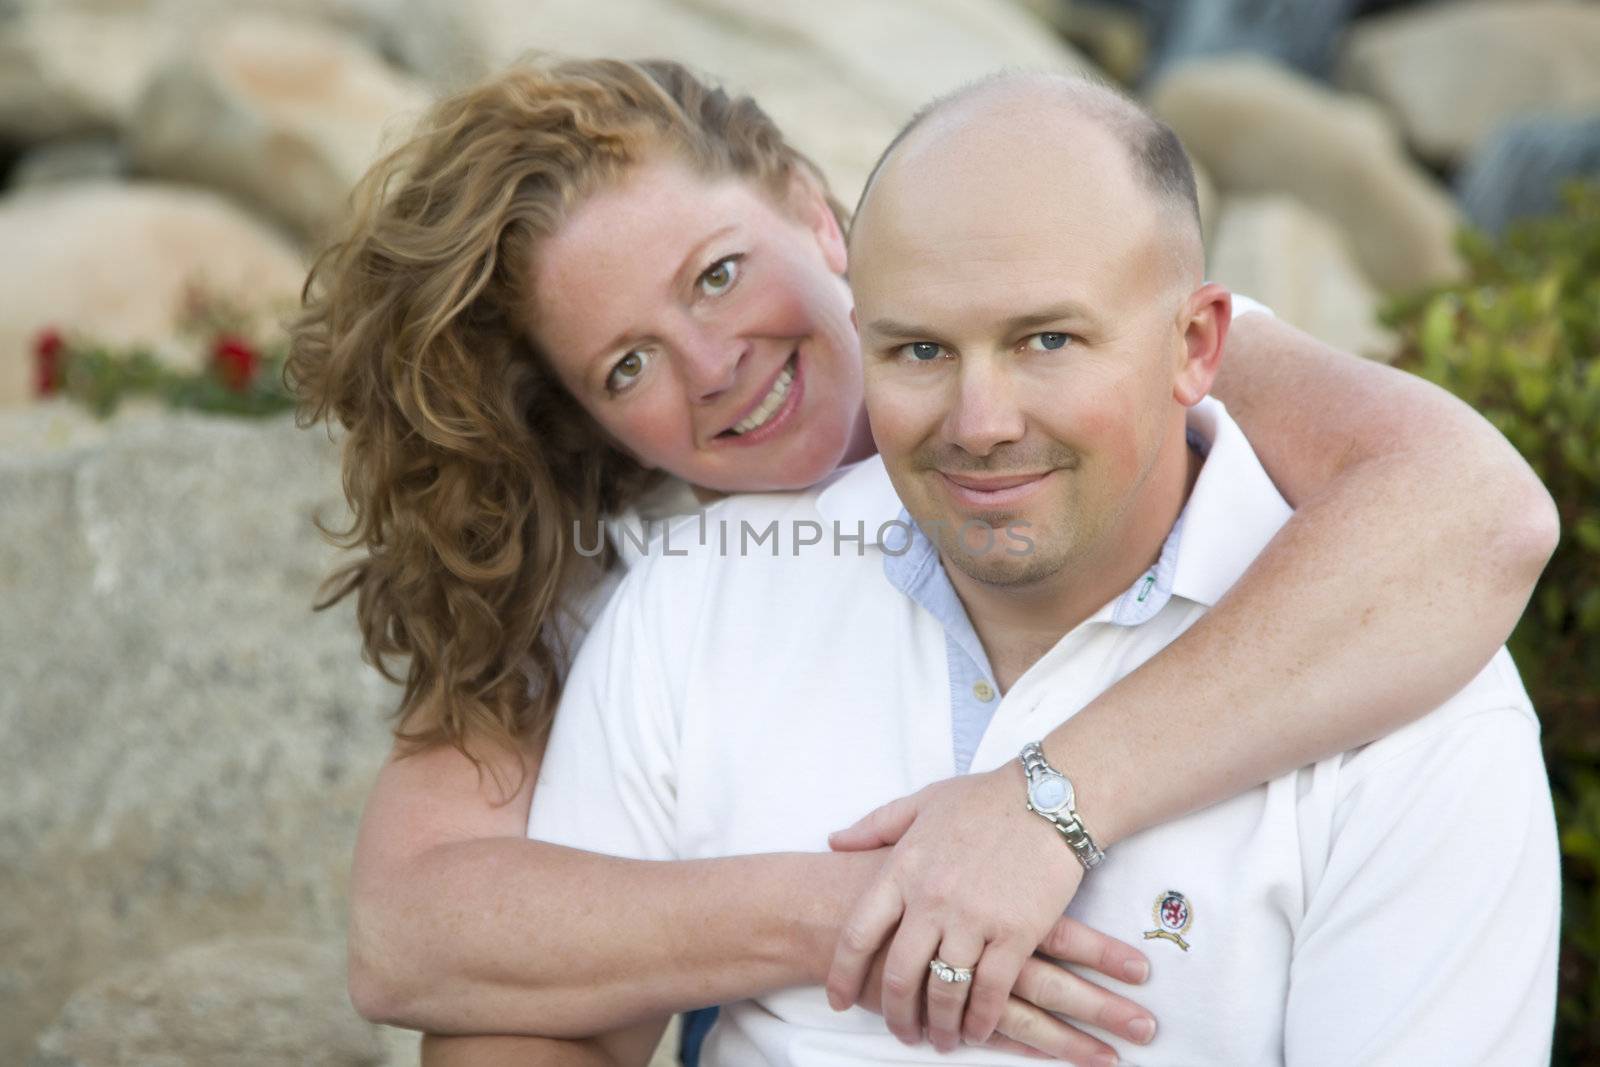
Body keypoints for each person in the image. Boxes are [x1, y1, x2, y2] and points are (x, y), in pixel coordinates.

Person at [283, 58, 1558, 1062]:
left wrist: (1045, 803)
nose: (713, 362)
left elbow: (1475, 513)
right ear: (591, 418)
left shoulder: (1096, 293)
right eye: (628, 364)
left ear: (808, 209)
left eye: (718, 274)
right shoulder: (669, 583)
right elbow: (413, 937)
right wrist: (872, 906)